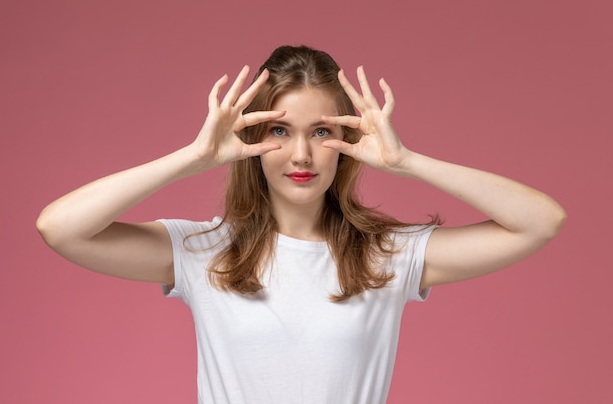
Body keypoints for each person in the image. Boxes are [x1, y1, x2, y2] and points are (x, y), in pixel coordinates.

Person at [36, 45, 566, 404]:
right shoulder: (204, 251)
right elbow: (61, 228)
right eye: (280, 131)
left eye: (321, 131)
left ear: (347, 141)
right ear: (252, 141)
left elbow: (540, 222)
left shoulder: (387, 256)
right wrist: (193, 157)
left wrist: (408, 162)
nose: (302, 153)